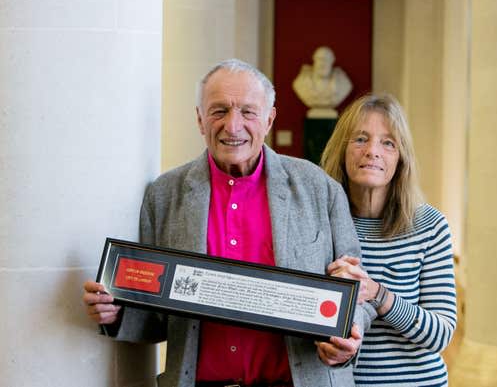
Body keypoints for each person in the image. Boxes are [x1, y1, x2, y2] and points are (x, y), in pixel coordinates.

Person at [83, 59, 376, 387]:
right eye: (219, 111)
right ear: (199, 119)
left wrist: (349, 336)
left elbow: (357, 295)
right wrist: (117, 312)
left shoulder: (318, 187)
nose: (233, 126)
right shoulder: (164, 196)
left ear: (269, 119)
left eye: (248, 112)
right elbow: (156, 314)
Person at [320, 94, 457, 386]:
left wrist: (377, 294)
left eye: (388, 143)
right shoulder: (319, 224)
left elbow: (441, 334)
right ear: (341, 151)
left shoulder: (430, 226)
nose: (372, 151)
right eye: (360, 139)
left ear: (401, 159)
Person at [292, 46, 352, 119]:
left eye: (327, 60)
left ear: (332, 61)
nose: (323, 63)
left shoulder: (343, 84)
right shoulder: (301, 83)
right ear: (314, 60)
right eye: (320, 59)